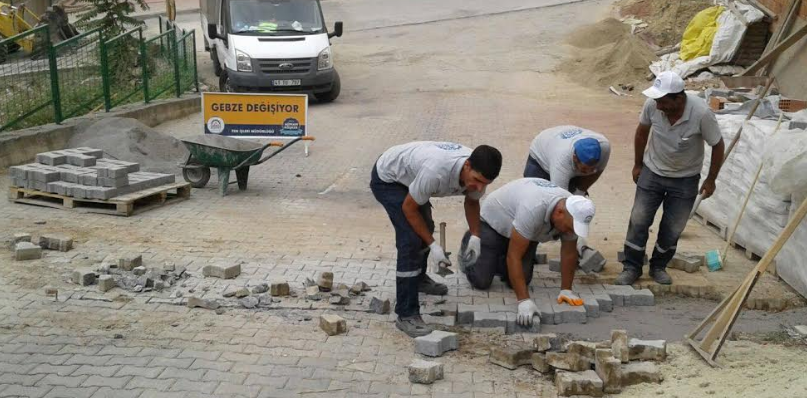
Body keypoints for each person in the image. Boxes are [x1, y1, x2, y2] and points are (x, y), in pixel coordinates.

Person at [370, 141, 502, 337]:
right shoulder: (436, 172)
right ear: (467, 166)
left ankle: (420, 279)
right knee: (410, 240)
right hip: (389, 178)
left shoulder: (479, 173)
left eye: (485, 184)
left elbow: (472, 202)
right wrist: (433, 246)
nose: (479, 187)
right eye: (476, 180)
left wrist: (475, 235)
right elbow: (409, 208)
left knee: (426, 227)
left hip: (414, 175)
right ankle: (406, 314)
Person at [616, 71, 725, 286]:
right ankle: (632, 267)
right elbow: (641, 133)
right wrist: (638, 164)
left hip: (685, 180)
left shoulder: (701, 114)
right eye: (657, 101)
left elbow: (718, 145)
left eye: (663, 101)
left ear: (678, 98)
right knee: (639, 220)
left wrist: (711, 179)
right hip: (652, 172)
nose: (658, 106)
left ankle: (658, 267)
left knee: (673, 227)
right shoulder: (652, 105)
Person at [460, 178, 596, 327]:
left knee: (521, 280)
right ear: (559, 213)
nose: (570, 232)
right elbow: (514, 256)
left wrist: (566, 290)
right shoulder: (534, 208)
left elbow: (569, 252)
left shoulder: (572, 213)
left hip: (525, 232)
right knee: (481, 280)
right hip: (494, 224)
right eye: (569, 228)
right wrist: (524, 301)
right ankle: (472, 243)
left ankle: (500, 260)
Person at [524, 126, 611, 195]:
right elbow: (560, 199)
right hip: (541, 153)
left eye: (592, 169)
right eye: (584, 169)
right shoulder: (561, 164)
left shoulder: (604, 147)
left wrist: (580, 192)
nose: (588, 172)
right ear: (575, 158)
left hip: (560, 140)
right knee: (537, 198)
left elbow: (598, 171)